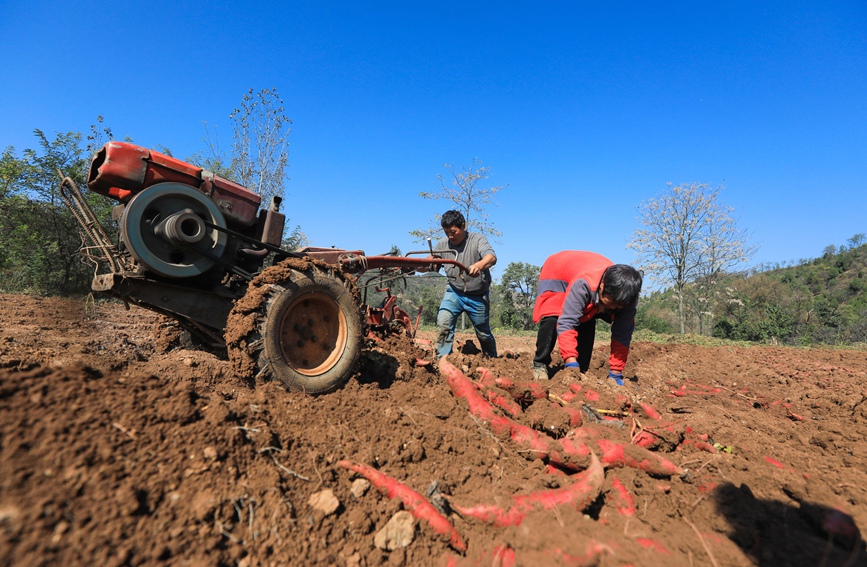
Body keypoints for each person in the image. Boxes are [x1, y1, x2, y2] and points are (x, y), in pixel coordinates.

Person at [532, 250, 642, 385]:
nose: (613, 308)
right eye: (611, 302)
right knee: (553, 316)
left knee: (588, 317)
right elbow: (567, 322)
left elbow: (622, 334)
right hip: (556, 271)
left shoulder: (628, 298)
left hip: (585, 272)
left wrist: (616, 372)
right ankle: (540, 363)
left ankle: (582, 369)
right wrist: (570, 362)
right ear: (602, 286)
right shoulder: (584, 284)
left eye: (618, 305)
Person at [431, 210, 498, 359]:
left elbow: (491, 257)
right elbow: (430, 265)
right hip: (454, 292)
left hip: (478, 295)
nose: (450, 236)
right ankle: (444, 360)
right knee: (444, 323)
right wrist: (422, 264)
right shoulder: (442, 244)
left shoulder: (477, 239)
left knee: (483, 333)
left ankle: (492, 360)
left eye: (453, 231)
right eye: (446, 232)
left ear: (463, 226)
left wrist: (479, 266)